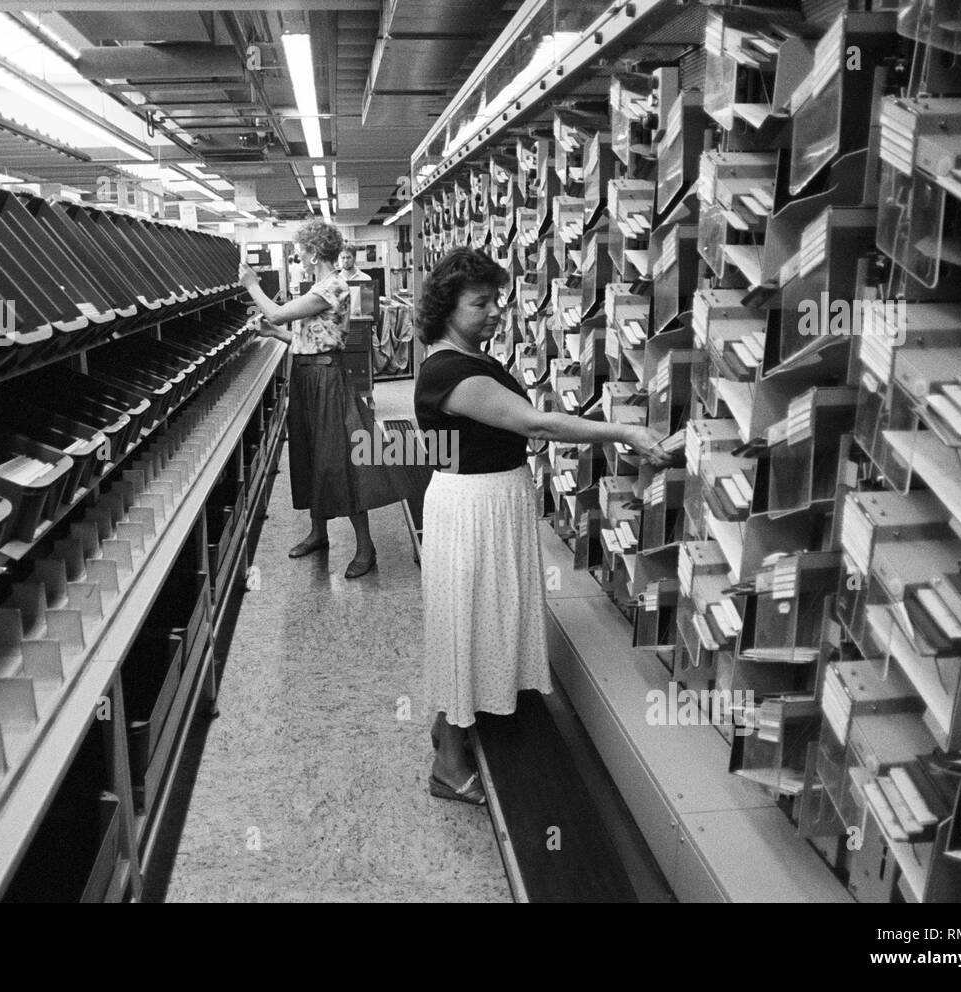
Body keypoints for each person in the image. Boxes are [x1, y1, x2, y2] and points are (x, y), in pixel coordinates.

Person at [414, 247, 673, 804]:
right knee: (467, 616)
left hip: (492, 502)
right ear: (445, 308)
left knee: (479, 612)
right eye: (478, 304)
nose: (493, 314)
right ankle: (448, 760)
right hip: (473, 508)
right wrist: (623, 434)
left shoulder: (468, 358)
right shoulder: (449, 371)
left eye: (496, 303)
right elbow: (535, 423)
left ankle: (450, 720)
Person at [239, 220, 400, 578]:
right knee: (311, 454)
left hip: (327, 379)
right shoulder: (317, 287)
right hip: (307, 376)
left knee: (341, 461)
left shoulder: (333, 287)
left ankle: (365, 547)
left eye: (301, 249)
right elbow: (304, 340)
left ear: (313, 252)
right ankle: (318, 533)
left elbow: (278, 311)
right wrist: (274, 333)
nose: (298, 255)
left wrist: (253, 286)